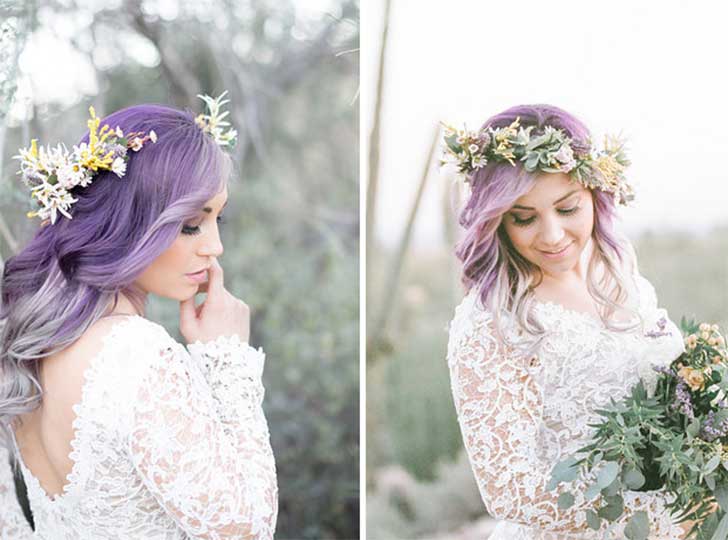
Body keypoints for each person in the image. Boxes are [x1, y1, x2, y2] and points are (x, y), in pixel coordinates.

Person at [0, 94, 278, 539]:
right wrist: (229, 360)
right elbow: (247, 529)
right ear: (128, 221)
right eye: (191, 224)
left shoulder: (30, 339)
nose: (214, 247)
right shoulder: (138, 356)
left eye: (217, 222)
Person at [444, 104, 693, 538]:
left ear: (596, 195)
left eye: (568, 208)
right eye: (524, 218)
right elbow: (509, 489)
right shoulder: (491, 322)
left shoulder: (621, 276)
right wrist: (658, 516)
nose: (553, 236)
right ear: (498, 221)